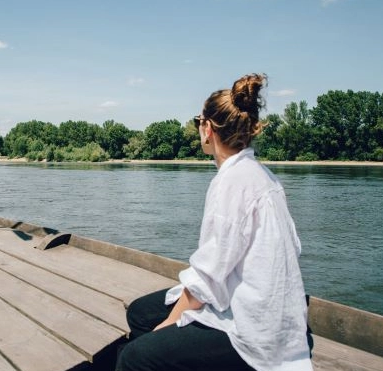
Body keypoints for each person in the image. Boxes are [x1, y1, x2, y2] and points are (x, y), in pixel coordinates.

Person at [115, 73, 313, 371]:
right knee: (141, 313)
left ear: (207, 129)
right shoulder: (263, 177)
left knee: (134, 358)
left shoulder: (232, 183)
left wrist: (170, 323)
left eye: (199, 122)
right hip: (268, 311)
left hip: (255, 330)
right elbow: (292, 250)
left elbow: (206, 279)